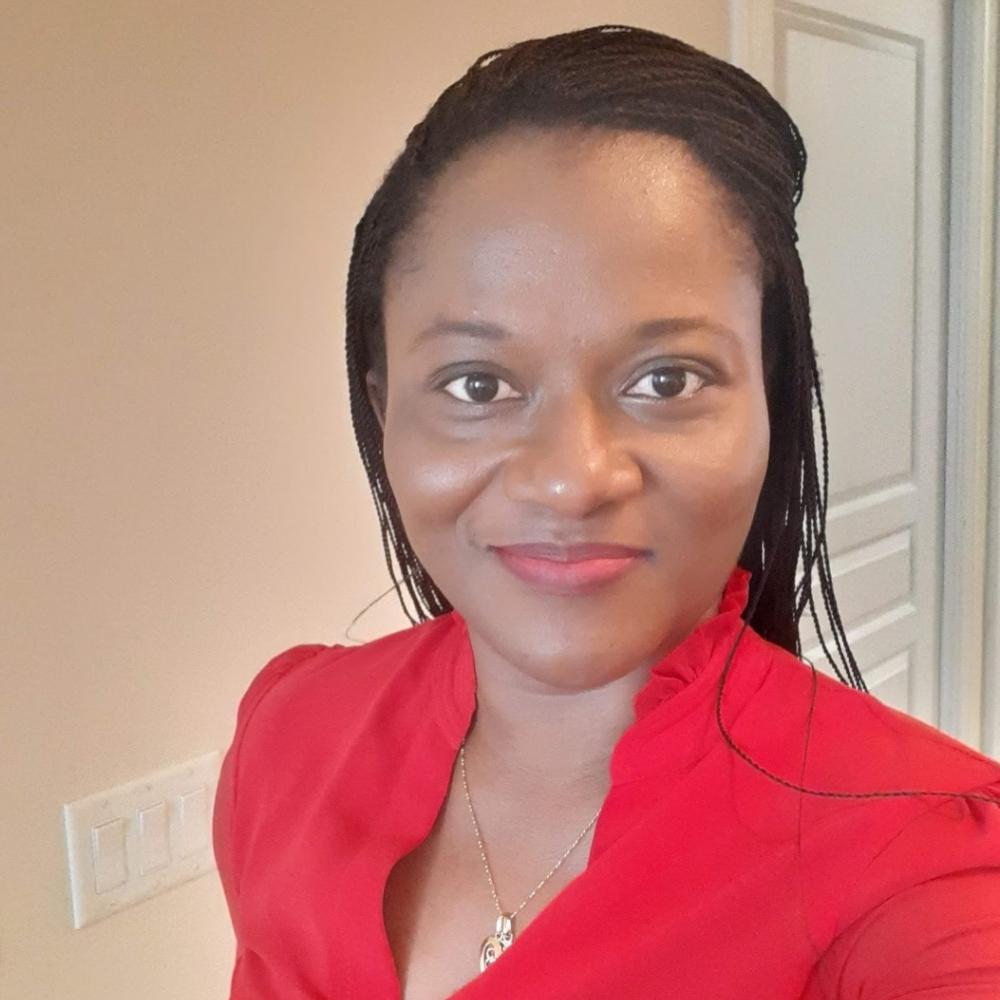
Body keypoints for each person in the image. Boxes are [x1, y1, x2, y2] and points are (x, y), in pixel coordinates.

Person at [212, 23, 1000, 1000]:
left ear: (768, 398)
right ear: (382, 407)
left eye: (666, 378)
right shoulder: (288, 733)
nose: (571, 479)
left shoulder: (919, 861)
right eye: (474, 383)